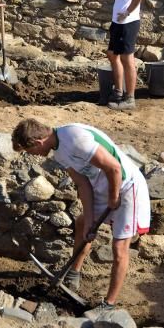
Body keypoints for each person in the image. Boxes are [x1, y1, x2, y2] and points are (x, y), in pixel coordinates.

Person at [12, 118, 150, 308]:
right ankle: (73, 272)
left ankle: (108, 304)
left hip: (126, 187)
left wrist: (113, 196)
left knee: (119, 249)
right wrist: (91, 221)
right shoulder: (59, 152)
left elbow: (114, 168)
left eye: (30, 151)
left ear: (38, 142)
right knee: (82, 224)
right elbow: (83, 184)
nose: (33, 155)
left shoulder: (75, 138)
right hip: (103, 187)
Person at [106, 0, 145, 111]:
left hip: (126, 22)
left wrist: (127, 13)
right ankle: (118, 92)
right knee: (112, 54)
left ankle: (129, 98)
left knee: (127, 58)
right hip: (119, 21)